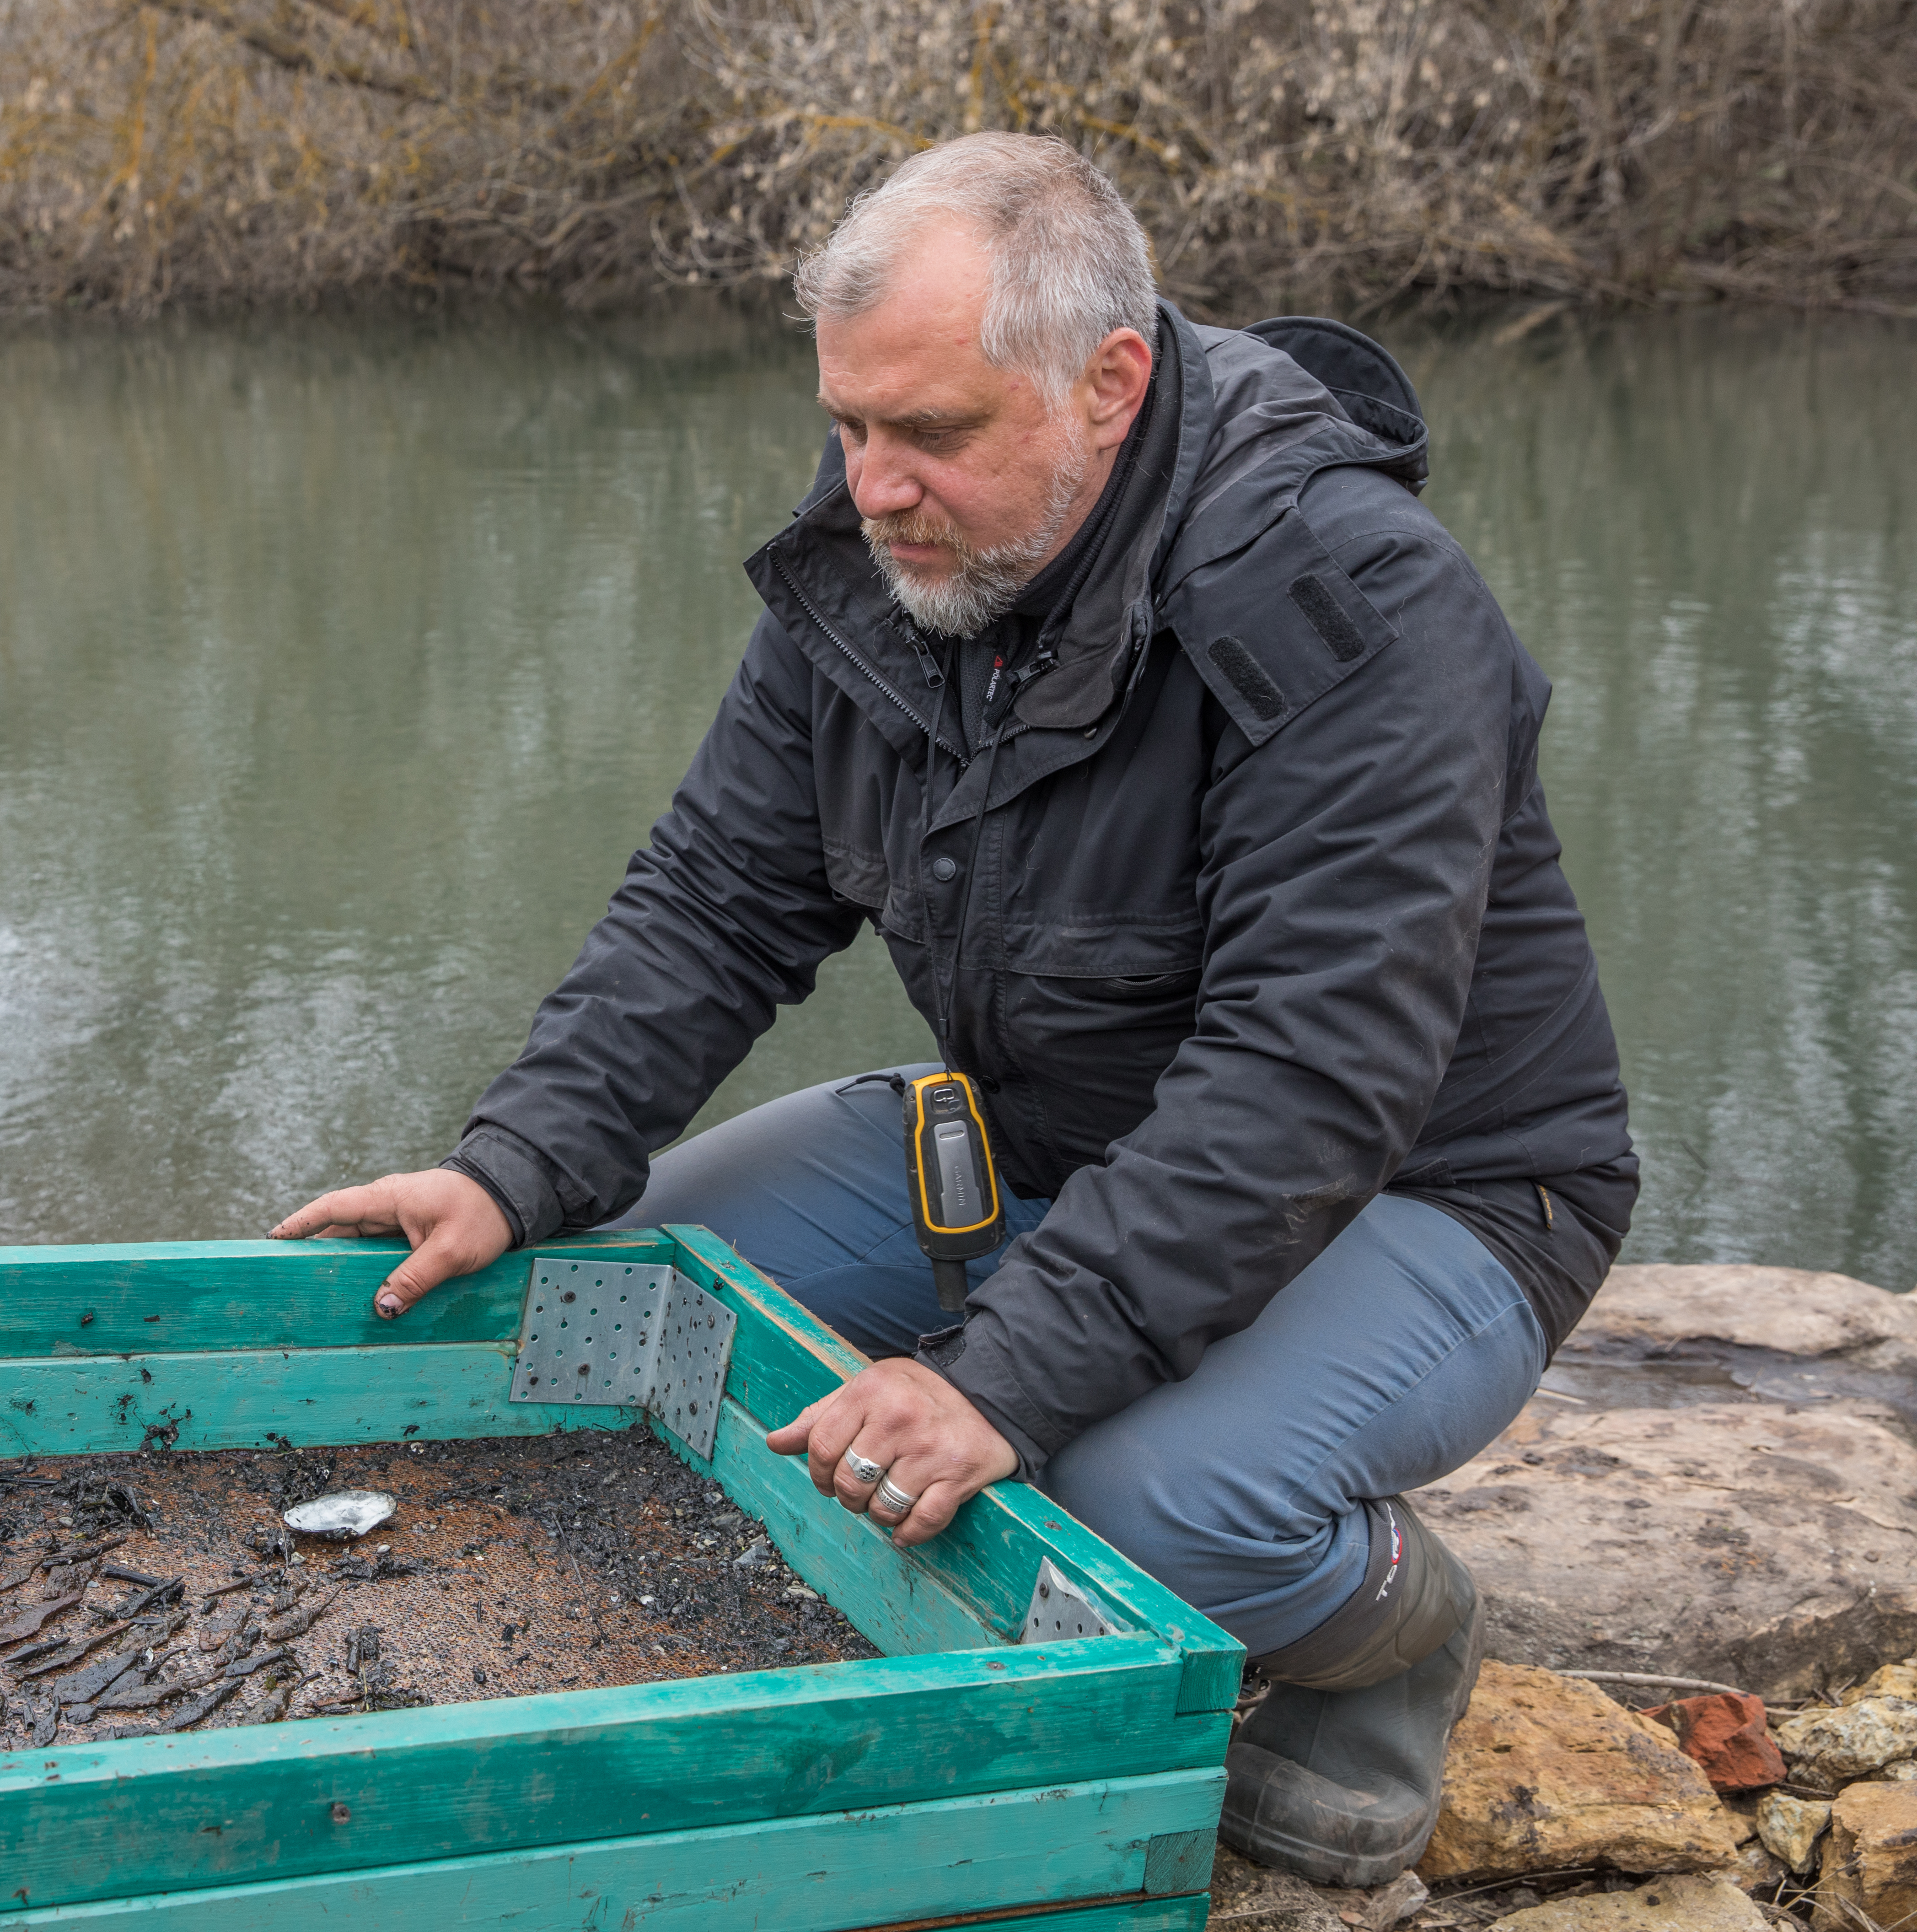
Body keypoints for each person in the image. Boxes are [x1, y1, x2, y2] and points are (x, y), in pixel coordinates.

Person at [271, 132, 1636, 1888]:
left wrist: (1000, 1375)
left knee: (1112, 1513)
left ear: (1109, 383)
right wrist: (517, 1163)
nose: (871, 486)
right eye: (849, 426)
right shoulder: (894, 561)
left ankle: (1391, 1628)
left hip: (1432, 1190)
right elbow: (716, 896)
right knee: (602, 1308)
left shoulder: (1350, 602)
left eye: (929, 436)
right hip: (1052, 1135)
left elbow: (1312, 1072)